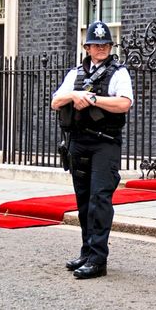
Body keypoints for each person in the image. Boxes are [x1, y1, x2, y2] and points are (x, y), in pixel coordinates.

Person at [50, 20, 133, 279]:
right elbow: (55, 101)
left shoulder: (119, 72)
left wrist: (94, 99)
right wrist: (75, 96)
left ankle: (98, 259)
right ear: (87, 47)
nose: (101, 49)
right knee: (83, 200)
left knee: (99, 200)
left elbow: (124, 104)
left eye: (105, 44)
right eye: (96, 45)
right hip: (78, 141)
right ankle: (87, 252)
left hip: (105, 143)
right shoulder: (75, 74)